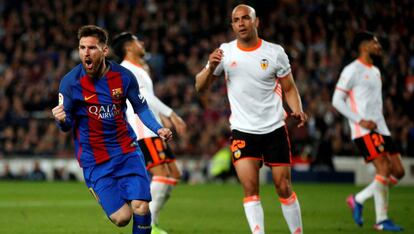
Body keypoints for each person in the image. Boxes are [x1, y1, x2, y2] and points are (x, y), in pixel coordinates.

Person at [195, 4, 307, 234]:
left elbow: (289, 87)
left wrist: (298, 109)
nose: (241, 23)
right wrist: (210, 68)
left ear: (256, 22)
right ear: (232, 26)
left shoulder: (275, 52)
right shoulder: (224, 52)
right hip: (243, 131)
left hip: (274, 128)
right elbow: (200, 87)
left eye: (246, 18)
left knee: (283, 187)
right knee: (249, 187)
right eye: (236, 20)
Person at [52, 25, 172, 234]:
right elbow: (67, 125)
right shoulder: (70, 83)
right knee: (122, 218)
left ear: (104, 50)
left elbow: (141, 107)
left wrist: (157, 128)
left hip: (126, 151)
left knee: (141, 206)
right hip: (94, 159)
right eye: (82, 48)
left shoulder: (124, 77)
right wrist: (61, 120)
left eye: (92, 48)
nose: (86, 53)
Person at [111, 32, 187, 234]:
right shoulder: (127, 70)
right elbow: (144, 98)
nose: (142, 43)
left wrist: (164, 118)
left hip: (153, 129)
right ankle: (148, 223)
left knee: (173, 175)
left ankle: (152, 222)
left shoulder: (140, 68)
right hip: (143, 130)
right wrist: (172, 114)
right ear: (128, 47)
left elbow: (149, 100)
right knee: (162, 174)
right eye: (137, 41)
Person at [332, 31, 405, 232]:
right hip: (363, 130)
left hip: (381, 127)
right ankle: (382, 220)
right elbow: (336, 101)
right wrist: (360, 121)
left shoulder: (375, 71)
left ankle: (358, 199)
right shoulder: (351, 70)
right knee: (383, 170)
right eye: (375, 42)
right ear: (363, 46)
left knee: (398, 171)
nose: (379, 46)